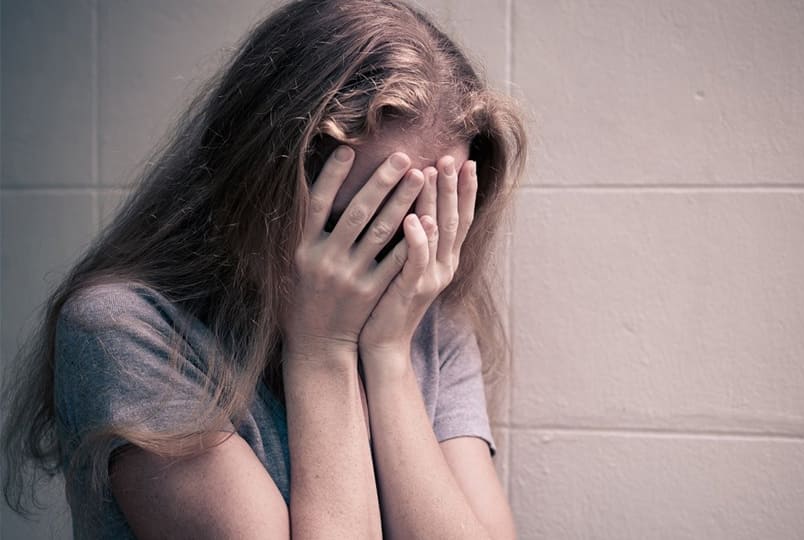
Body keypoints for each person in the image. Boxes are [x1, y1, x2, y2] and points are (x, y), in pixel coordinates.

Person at [0, 0, 526, 538]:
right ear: (259, 186)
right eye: (364, 222)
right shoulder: (123, 332)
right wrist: (323, 350)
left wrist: (388, 357)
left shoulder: (424, 317)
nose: (403, 257)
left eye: (425, 221)